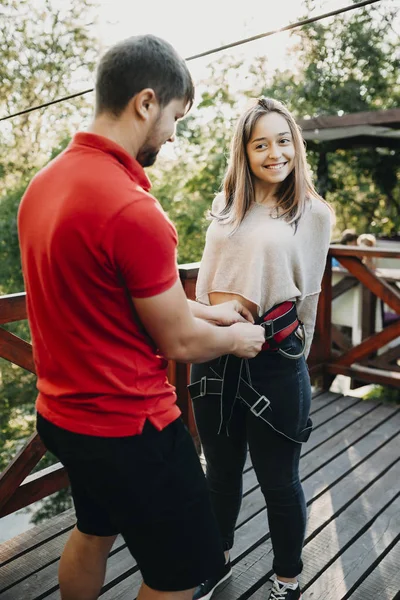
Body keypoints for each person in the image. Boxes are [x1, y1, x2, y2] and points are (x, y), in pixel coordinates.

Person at [17, 35, 265, 600]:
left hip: (64, 416)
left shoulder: (43, 187)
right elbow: (177, 339)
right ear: (146, 102)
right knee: (181, 575)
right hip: (132, 428)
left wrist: (212, 311)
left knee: (93, 531)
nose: (174, 134)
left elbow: (113, 299)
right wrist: (239, 339)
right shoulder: (133, 208)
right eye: (175, 116)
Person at [189, 97, 333, 600]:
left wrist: (300, 366)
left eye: (283, 139)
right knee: (220, 475)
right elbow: (204, 287)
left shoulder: (312, 213)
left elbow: (310, 296)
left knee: (279, 481)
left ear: (295, 144)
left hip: (275, 359)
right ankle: (217, 560)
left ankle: (288, 578)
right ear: (244, 153)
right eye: (260, 144)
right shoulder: (228, 206)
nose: (275, 153)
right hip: (213, 354)